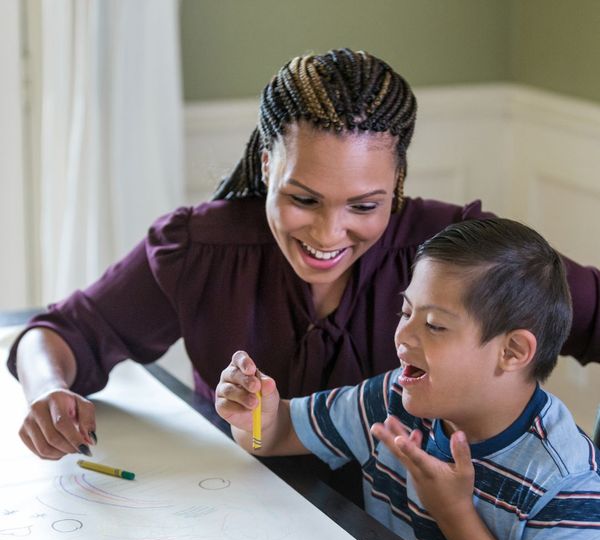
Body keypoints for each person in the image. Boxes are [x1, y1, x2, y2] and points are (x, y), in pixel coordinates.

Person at [7, 48, 600, 462]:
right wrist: (46, 392)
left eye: (365, 206)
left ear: (397, 181)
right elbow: (62, 333)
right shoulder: (201, 249)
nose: (328, 232)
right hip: (237, 512)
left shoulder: (462, 254)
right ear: (268, 165)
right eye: (303, 198)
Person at [216, 218, 600, 540]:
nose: (402, 334)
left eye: (433, 325)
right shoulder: (392, 399)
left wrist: (453, 513)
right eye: (405, 311)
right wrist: (255, 415)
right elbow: (278, 433)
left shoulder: (567, 484)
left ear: (512, 352)